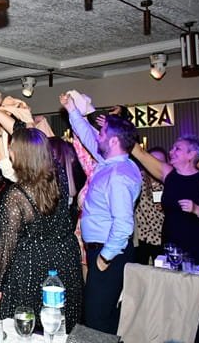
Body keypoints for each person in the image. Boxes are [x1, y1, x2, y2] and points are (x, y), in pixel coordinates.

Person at [0, 127, 83, 333]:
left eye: (11, 148)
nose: (9, 151)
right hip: (65, 261)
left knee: (25, 328)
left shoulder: (16, 195)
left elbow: (5, 244)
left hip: (31, 266)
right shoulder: (60, 176)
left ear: (20, 154)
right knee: (59, 325)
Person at [60, 93, 141, 334]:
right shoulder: (111, 163)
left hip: (109, 253)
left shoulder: (118, 175)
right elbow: (87, 136)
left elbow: (124, 224)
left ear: (114, 141)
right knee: (101, 315)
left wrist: (104, 258)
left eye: (103, 133)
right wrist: (72, 110)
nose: (99, 137)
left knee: (98, 320)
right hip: (104, 250)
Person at [132, 135, 199, 266]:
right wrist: (119, 128)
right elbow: (141, 154)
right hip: (172, 247)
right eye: (172, 148)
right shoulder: (168, 174)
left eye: (177, 149)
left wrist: (197, 210)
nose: (170, 152)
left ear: (191, 154)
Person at [134, 147, 167, 265]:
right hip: (141, 237)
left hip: (163, 237)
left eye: (160, 161)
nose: (155, 164)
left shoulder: (170, 182)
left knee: (162, 272)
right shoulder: (138, 179)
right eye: (152, 160)